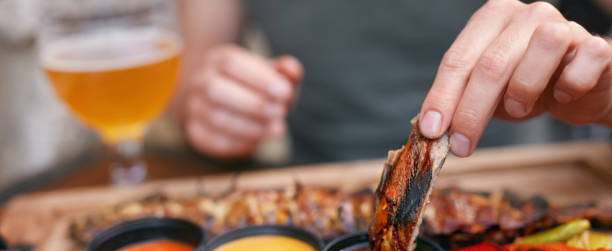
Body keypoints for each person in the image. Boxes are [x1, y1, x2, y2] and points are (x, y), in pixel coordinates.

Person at [176, 0, 611, 162]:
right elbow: (187, 81)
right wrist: (212, 103)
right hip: (315, 190)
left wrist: (605, 95)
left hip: (527, 178)